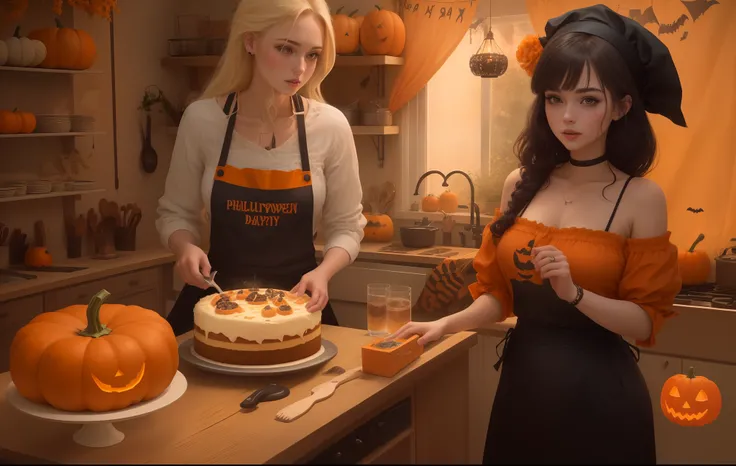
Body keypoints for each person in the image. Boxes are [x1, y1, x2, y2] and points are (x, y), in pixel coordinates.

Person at [389, 5, 685, 464]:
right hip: (524, 389)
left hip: (602, 399)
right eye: (554, 98)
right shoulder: (518, 184)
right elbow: (498, 295)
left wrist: (574, 293)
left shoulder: (641, 197)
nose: (567, 116)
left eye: (588, 100)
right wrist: (444, 326)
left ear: (622, 106)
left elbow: (646, 322)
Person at [156, 0, 366, 336]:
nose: (300, 67)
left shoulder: (330, 126)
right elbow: (175, 213)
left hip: (297, 305)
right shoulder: (201, 120)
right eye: (285, 49)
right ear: (250, 42)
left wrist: (324, 272)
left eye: (312, 54)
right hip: (216, 302)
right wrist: (184, 247)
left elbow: (348, 224)